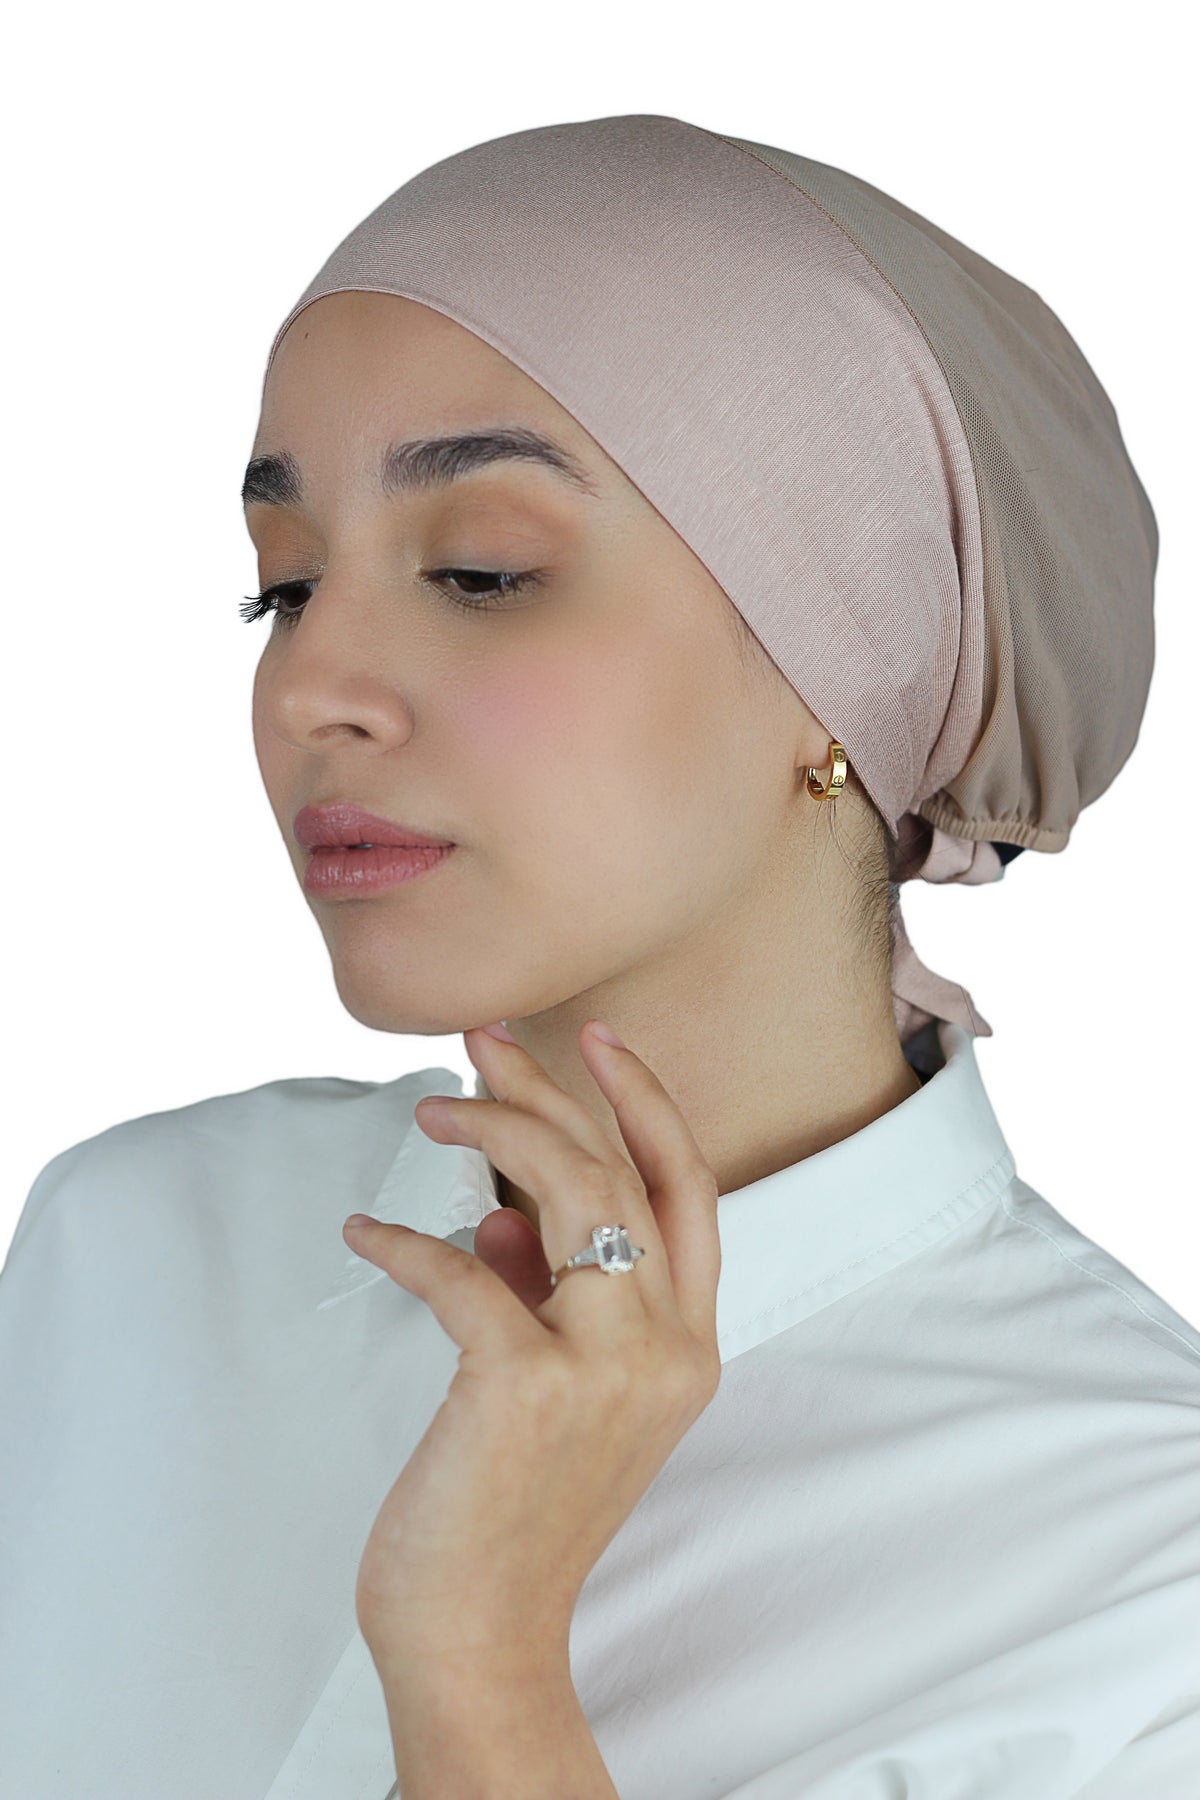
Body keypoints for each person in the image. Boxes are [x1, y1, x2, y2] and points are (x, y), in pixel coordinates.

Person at [2, 114, 1196, 1798]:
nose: (311, 688)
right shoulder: (128, 1250)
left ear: (845, 675)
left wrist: (481, 1662)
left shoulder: (1142, 1578)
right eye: (285, 587)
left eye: (481, 572)